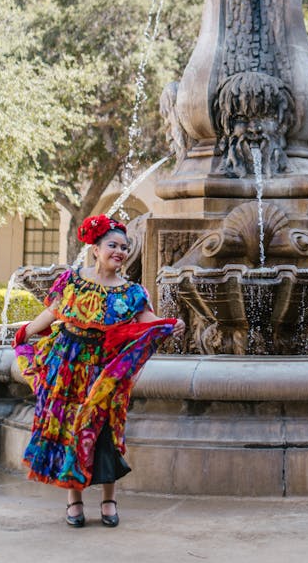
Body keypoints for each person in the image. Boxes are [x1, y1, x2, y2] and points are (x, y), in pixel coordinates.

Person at [13, 214, 184, 528]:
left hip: (105, 370)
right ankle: (74, 501)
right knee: (70, 430)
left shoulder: (132, 293)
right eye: (112, 245)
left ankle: (109, 499)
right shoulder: (71, 281)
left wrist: (169, 326)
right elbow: (51, 314)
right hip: (67, 365)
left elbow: (148, 320)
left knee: (104, 431)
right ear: (95, 248)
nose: (119, 251)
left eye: (124, 247)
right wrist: (24, 333)